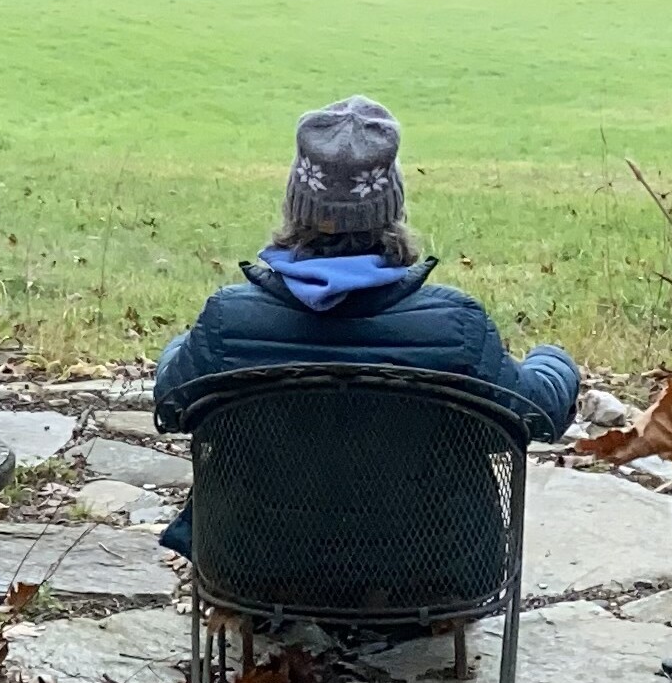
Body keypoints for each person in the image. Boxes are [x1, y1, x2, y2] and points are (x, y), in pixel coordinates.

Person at [148, 97, 586, 457]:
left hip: (246, 558)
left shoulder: (229, 321)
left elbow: (170, 402)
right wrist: (554, 358)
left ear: (294, 210)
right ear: (392, 214)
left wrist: (183, 344)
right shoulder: (456, 325)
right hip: (433, 559)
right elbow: (538, 414)